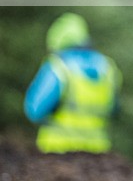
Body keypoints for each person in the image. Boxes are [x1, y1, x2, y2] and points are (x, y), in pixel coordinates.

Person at [24, 12, 122, 154]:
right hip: (98, 155)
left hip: (56, 151)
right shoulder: (108, 68)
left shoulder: (59, 67)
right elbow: (114, 108)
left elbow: (34, 110)